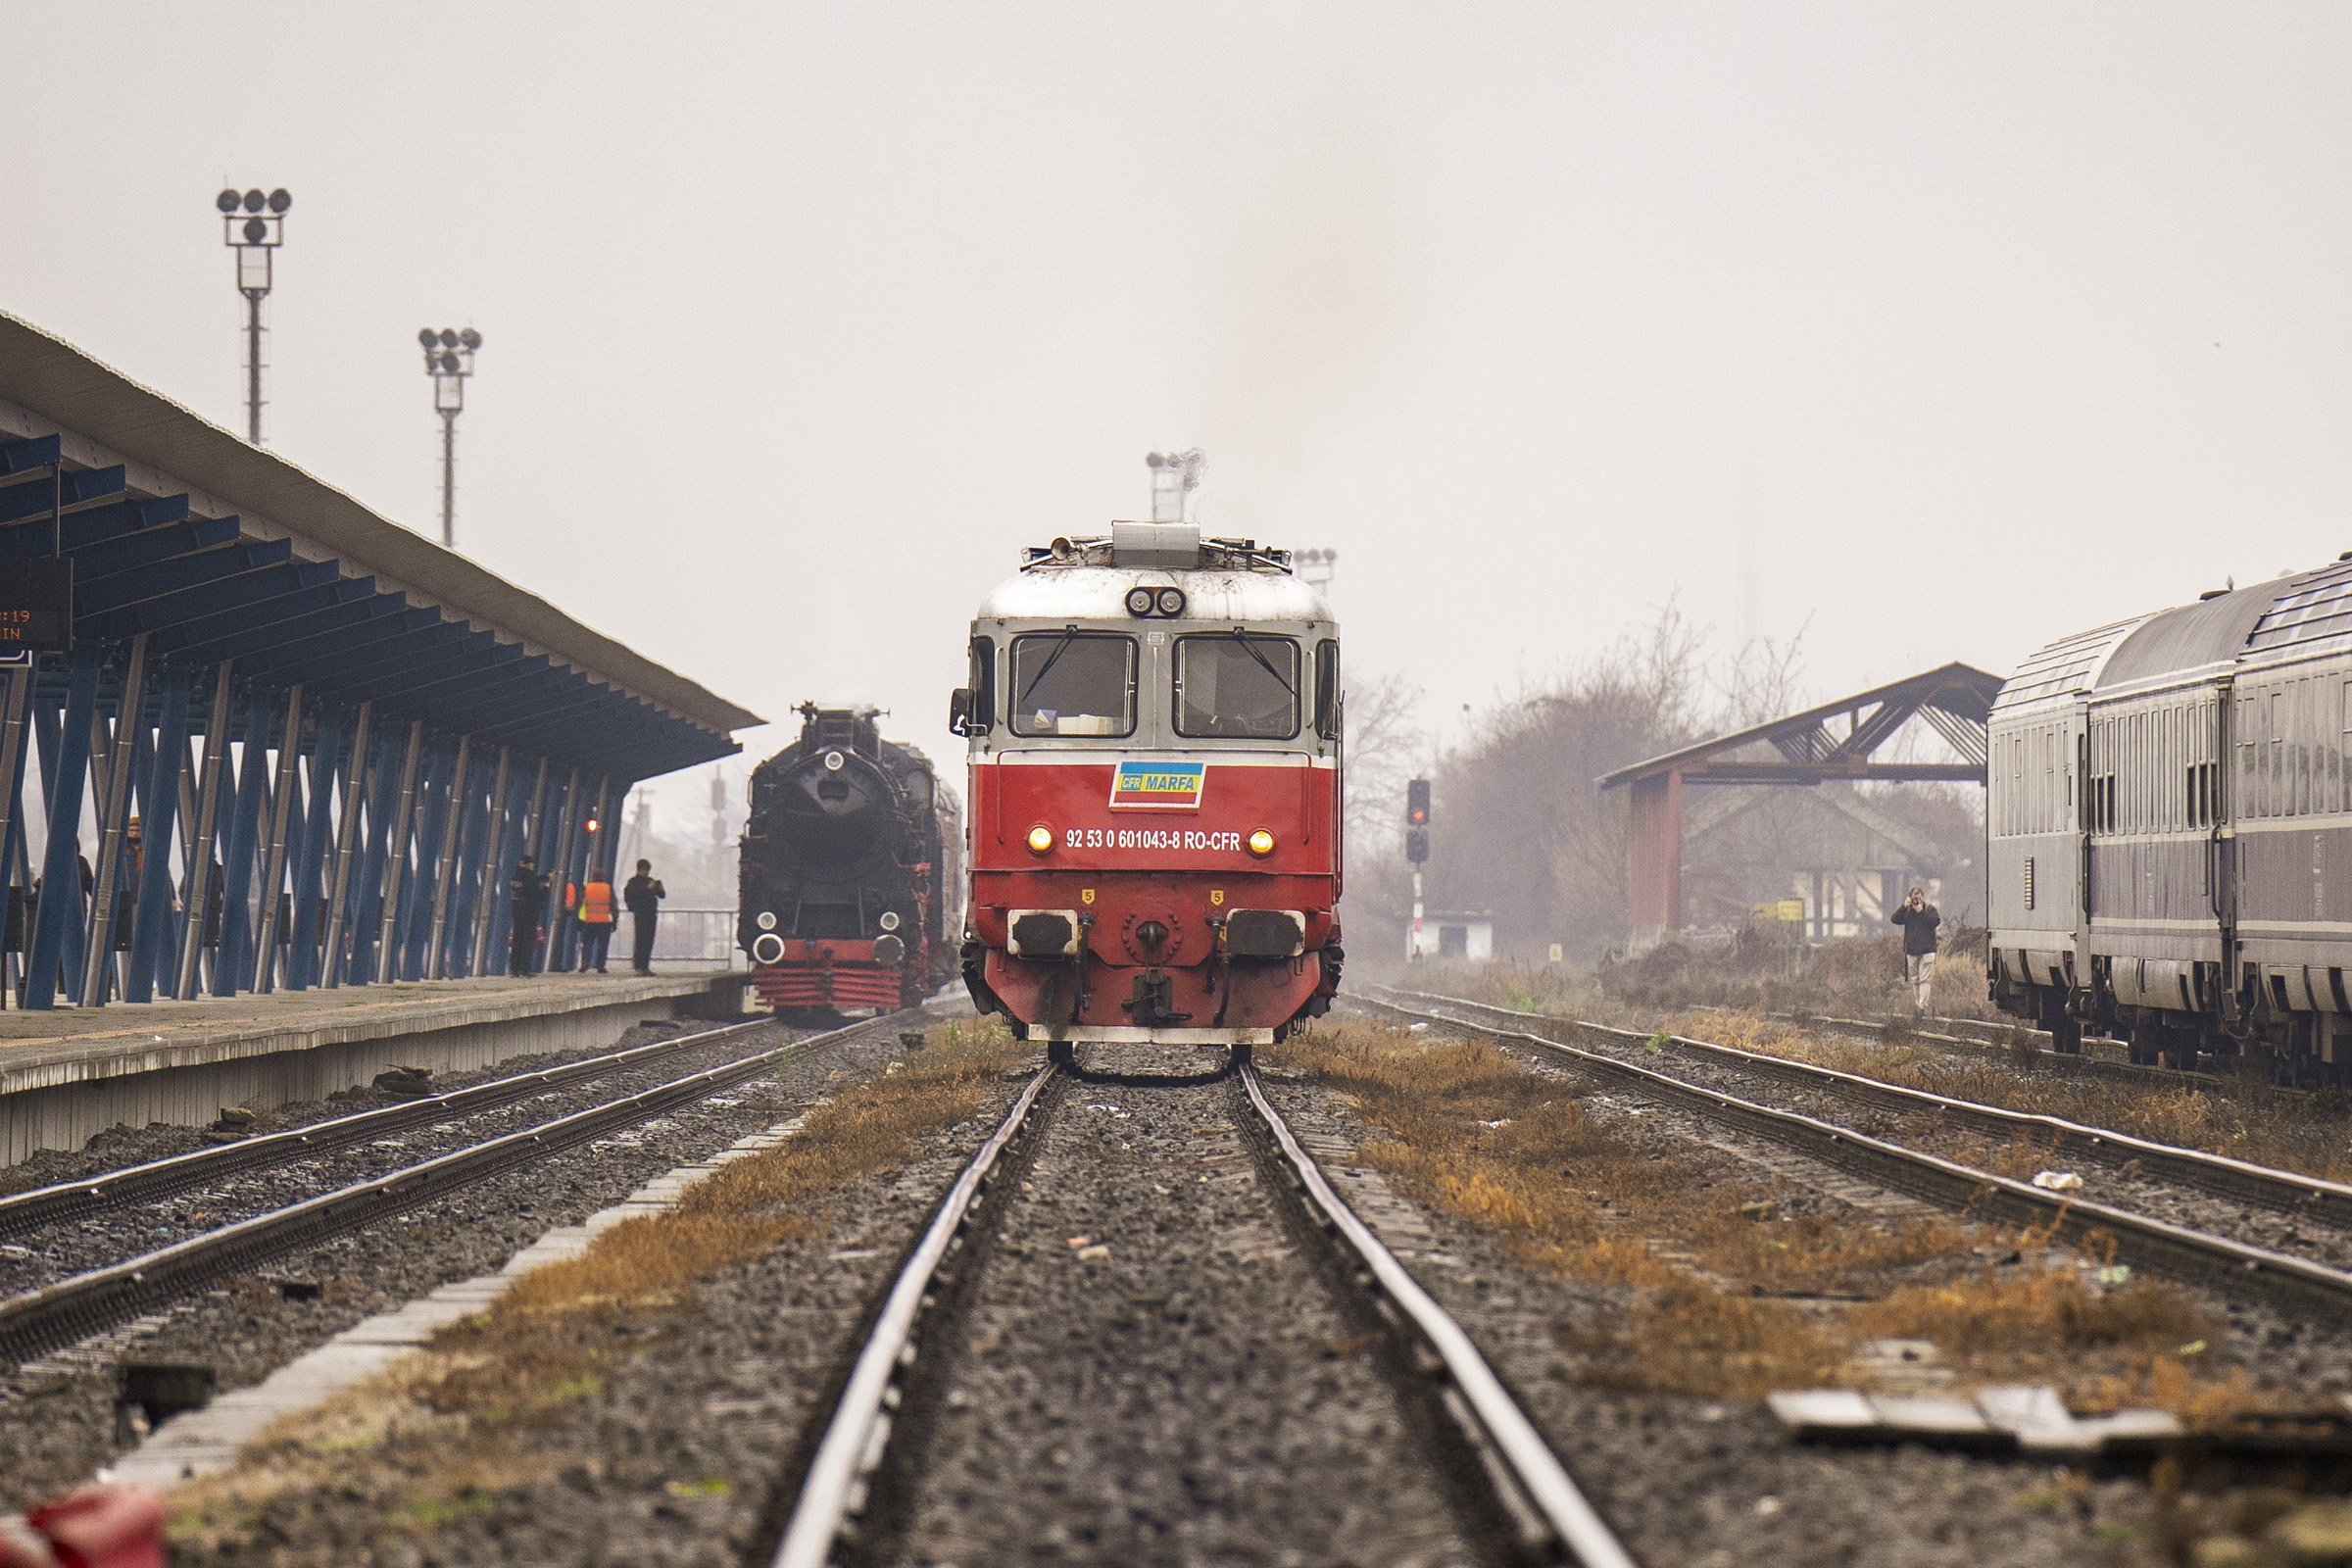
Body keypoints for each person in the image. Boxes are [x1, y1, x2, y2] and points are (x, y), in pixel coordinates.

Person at [1889, 885, 1941, 1012]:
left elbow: (1935, 922)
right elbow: (1894, 919)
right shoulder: (1907, 913)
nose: (1916, 901)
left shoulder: (1929, 909)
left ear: (1922, 897)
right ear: (1910, 898)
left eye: (1918, 898)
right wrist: (1904, 906)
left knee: (1925, 979)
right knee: (1914, 980)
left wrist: (1921, 911)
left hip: (1927, 950)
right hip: (1912, 951)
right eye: (1914, 898)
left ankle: (1922, 1006)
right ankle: (1917, 1004)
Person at [623, 858, 666, 975]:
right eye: (644, 870)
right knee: (640, 940)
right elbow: (632, 895)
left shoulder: (650, 881)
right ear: (639, 870)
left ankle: (645, 966)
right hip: (640, 914)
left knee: (649, 940)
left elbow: (661, 895)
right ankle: (639, 966)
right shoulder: (633, 882)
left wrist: (659, 888)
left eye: (647, 870)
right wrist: (647, 888)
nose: (646, 872)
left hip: (651, 914)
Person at [508, 857, 547, 977]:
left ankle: (514, 969)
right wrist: (547, 886)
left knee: (517, 940)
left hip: (517, 911)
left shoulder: (515, 877)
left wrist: (543, 877)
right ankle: (525, 969)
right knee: (528, 942)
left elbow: (528, 883)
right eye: (532, 865)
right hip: (529, 913)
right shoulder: (530, 878)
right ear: (529, 865)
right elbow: (539, 896)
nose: (533, 867)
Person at [574, 865, 616, 974]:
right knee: (602, 945)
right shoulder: (608, 888)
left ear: (592, 876)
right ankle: (600, 966)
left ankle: (584, 964)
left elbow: (580, 905)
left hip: (589, 921)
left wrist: (579, 921)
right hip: (604, 921)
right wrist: (615, 921)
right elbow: (613, 906)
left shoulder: (587, 888)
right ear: (603, 877)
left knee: (587, 944)